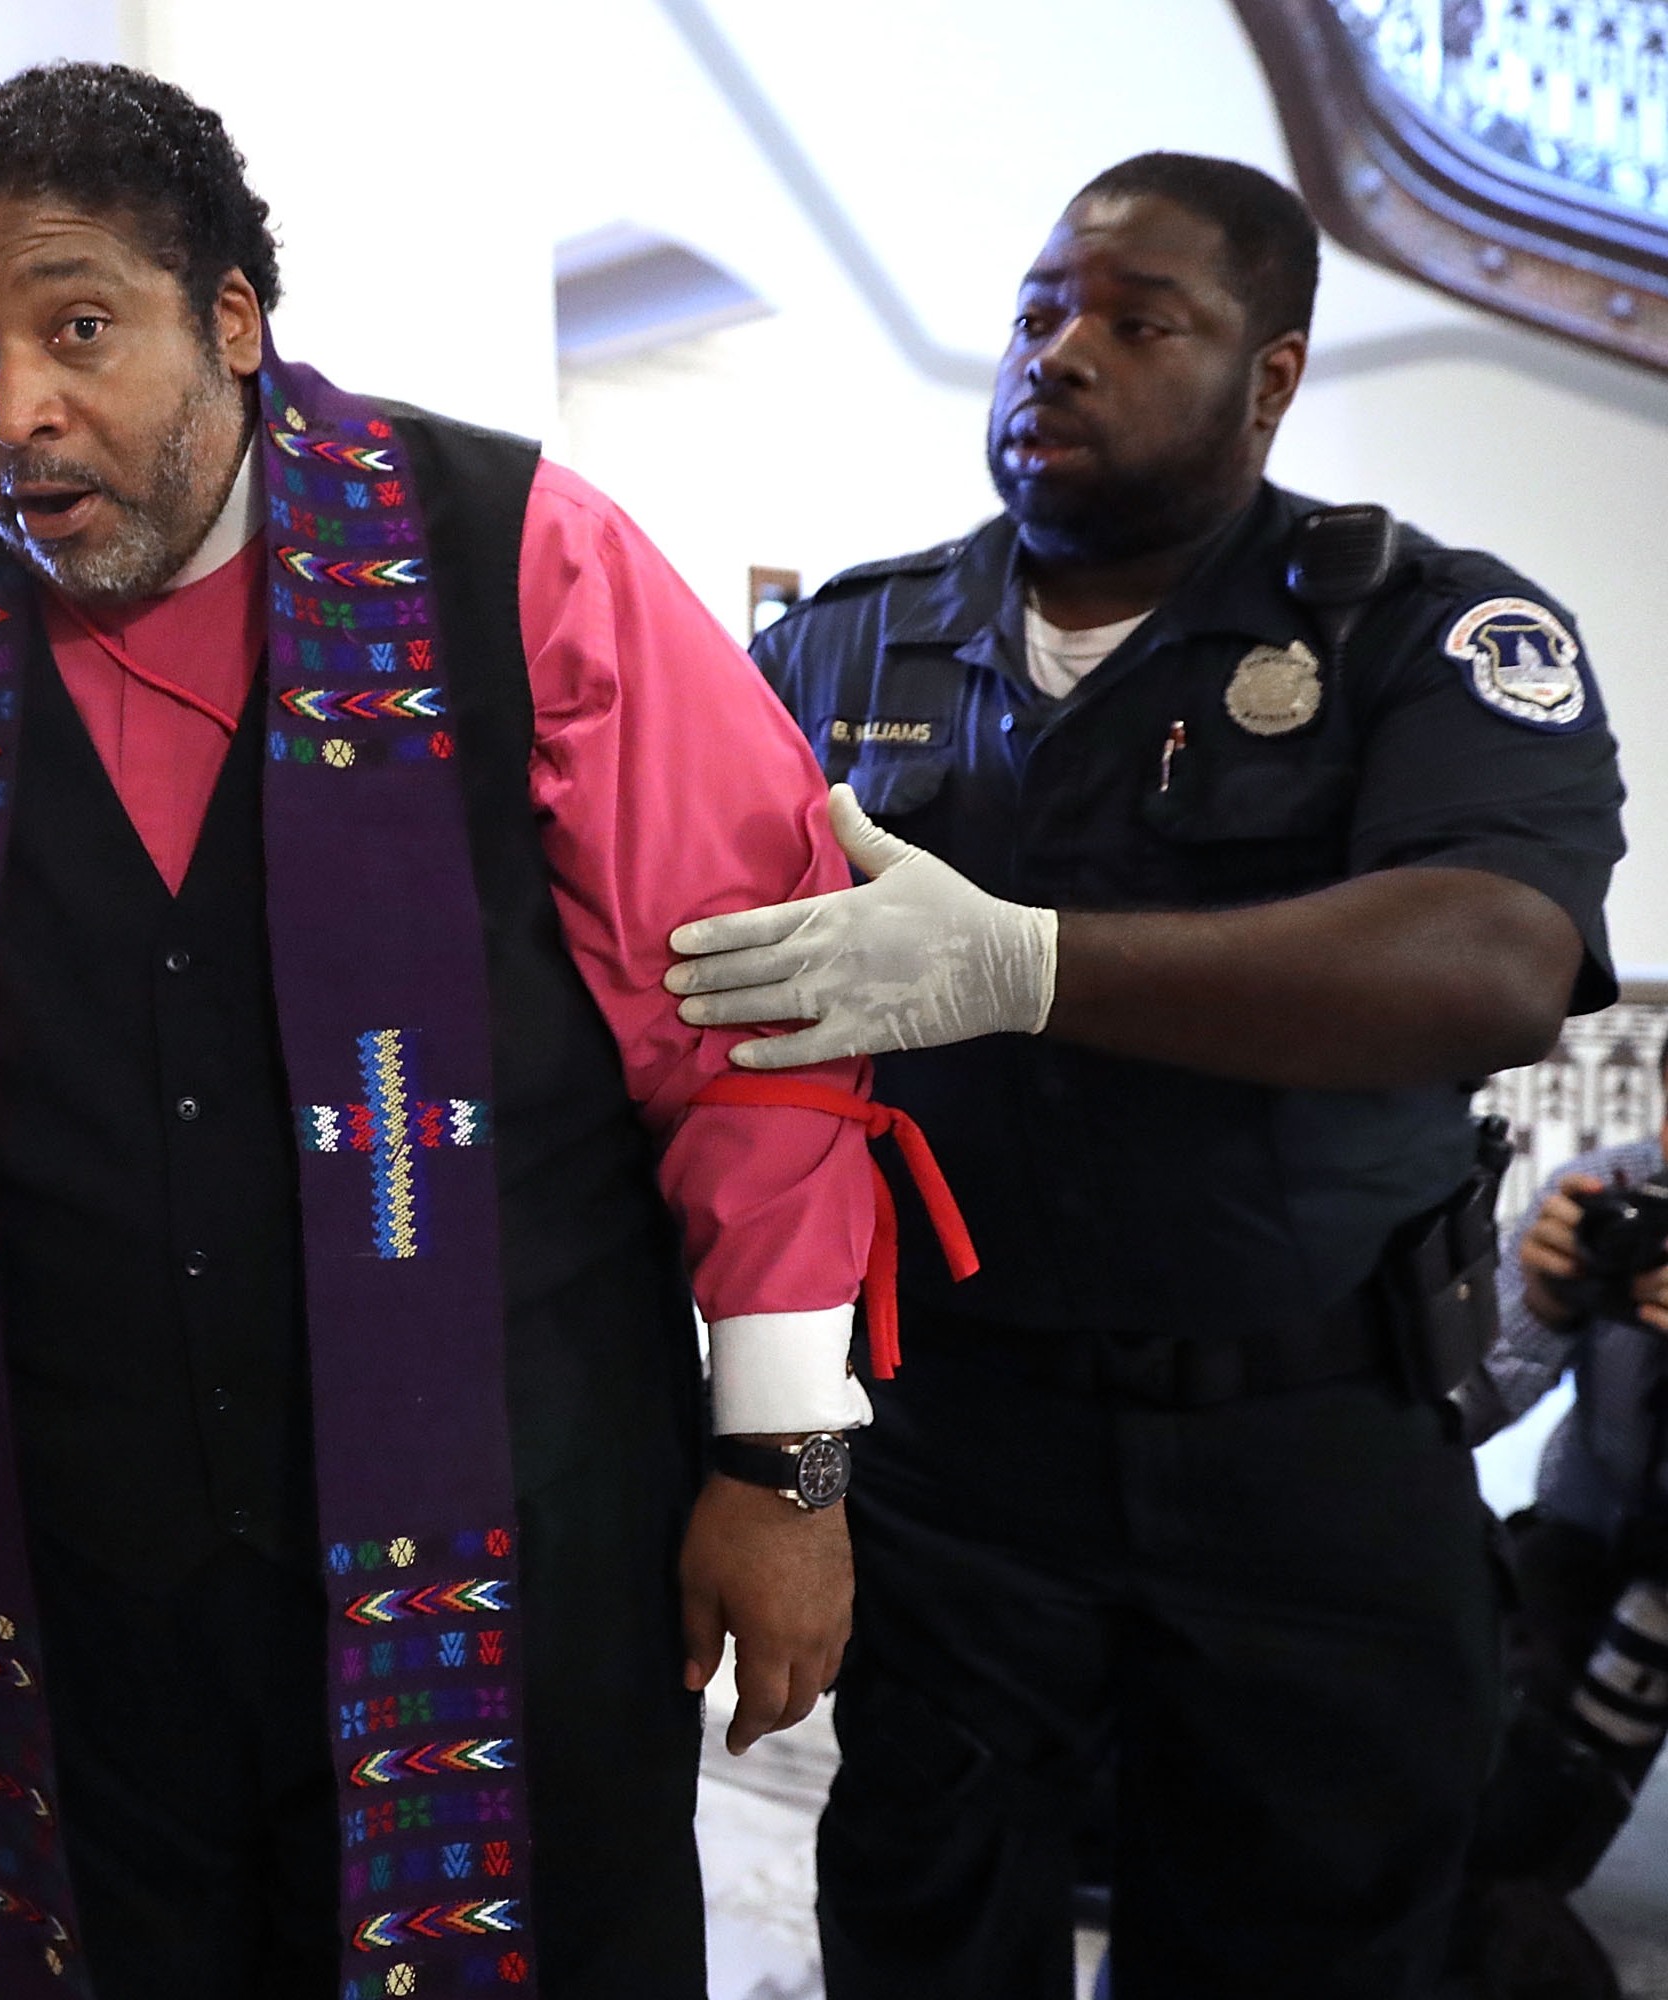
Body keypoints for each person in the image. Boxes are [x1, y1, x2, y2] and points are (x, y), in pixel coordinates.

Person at [0, 63, 959, 2000]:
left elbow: (750, 1004)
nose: (9, 410)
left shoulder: (510, 553)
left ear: (228, 317)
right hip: (72, 1543)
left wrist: (783, 1455)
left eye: (73, 328)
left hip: (505, 1516)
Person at [667, 154, 1627, 1996]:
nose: (1058, 355)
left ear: (1266, 375)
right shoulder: (841, 646)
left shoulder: (1414, 633)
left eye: (1136, 320)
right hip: (958, 1451)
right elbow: (682, 1000)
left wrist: (1025, 964)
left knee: (1304, 1942)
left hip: (1309, 1451)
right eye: (1037, 313)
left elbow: (1491, 963)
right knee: (925, 1924)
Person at [1448, 1075, 1668, 1998]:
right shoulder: (1606, 1192)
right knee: (1495, 1810)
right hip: (1589, 1528)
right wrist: (1535, 1304)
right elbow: (1460, 1411)